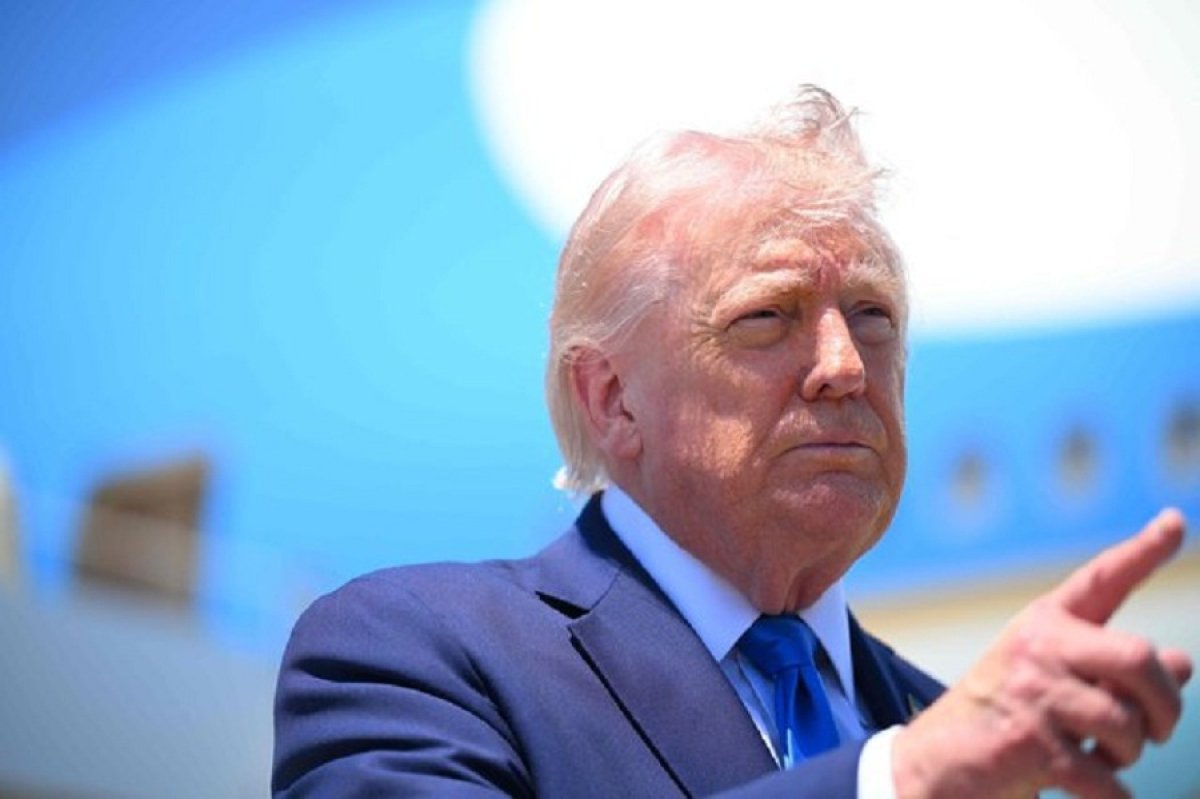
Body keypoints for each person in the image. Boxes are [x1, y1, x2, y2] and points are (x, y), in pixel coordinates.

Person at [272, 86, 1192, 797]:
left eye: (872, 316)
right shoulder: (416, 658)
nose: (845, 365)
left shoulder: (948, 724)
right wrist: (895, 782)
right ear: (612, 399)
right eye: (767, 317)